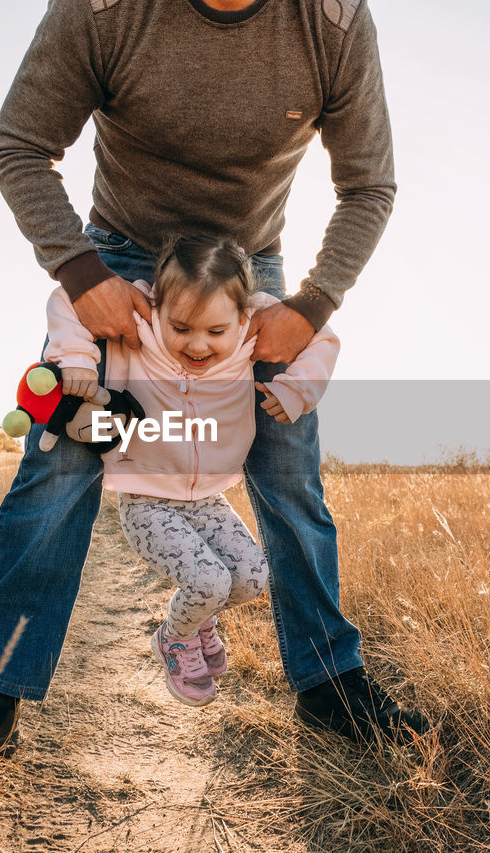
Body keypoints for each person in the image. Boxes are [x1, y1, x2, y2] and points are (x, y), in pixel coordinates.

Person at [0, 0, 428, 786]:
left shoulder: (331, 21)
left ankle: (330, 682)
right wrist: (82, 276)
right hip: (117, 266)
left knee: (289, 465)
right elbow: (20, 146)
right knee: (59, 465)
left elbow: (370, 185)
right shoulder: (104, 11)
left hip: (247, 273)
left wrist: (310, 307)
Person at [48, 235, 338, 708]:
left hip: (208, 499)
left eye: (214, 332)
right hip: (146, 500)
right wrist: (77, 358)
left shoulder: (250, 327)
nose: (197, 344)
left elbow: (323, 336)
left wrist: (298, 389)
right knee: (210, 582)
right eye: (180, 327)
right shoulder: (141, 322)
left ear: (242, 317)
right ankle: (174, 637)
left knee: (251, 577)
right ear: (158, 308)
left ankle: (199, 619)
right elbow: (65, 299)